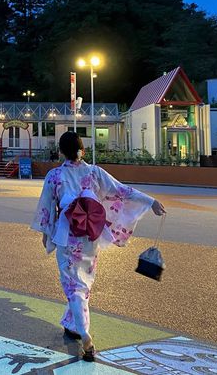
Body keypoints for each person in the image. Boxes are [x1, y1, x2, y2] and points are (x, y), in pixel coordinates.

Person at [32, 132, 165, 362]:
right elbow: (122, 190)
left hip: (67, 236)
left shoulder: (55, 175)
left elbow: (46, 206)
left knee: (73, 287)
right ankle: (72, 325)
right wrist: (150, 201)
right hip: (90, 236)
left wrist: (46, 233)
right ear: (82, 150)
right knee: (83, 284)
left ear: (61, 152)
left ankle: (84, 334)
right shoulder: (94, 172)